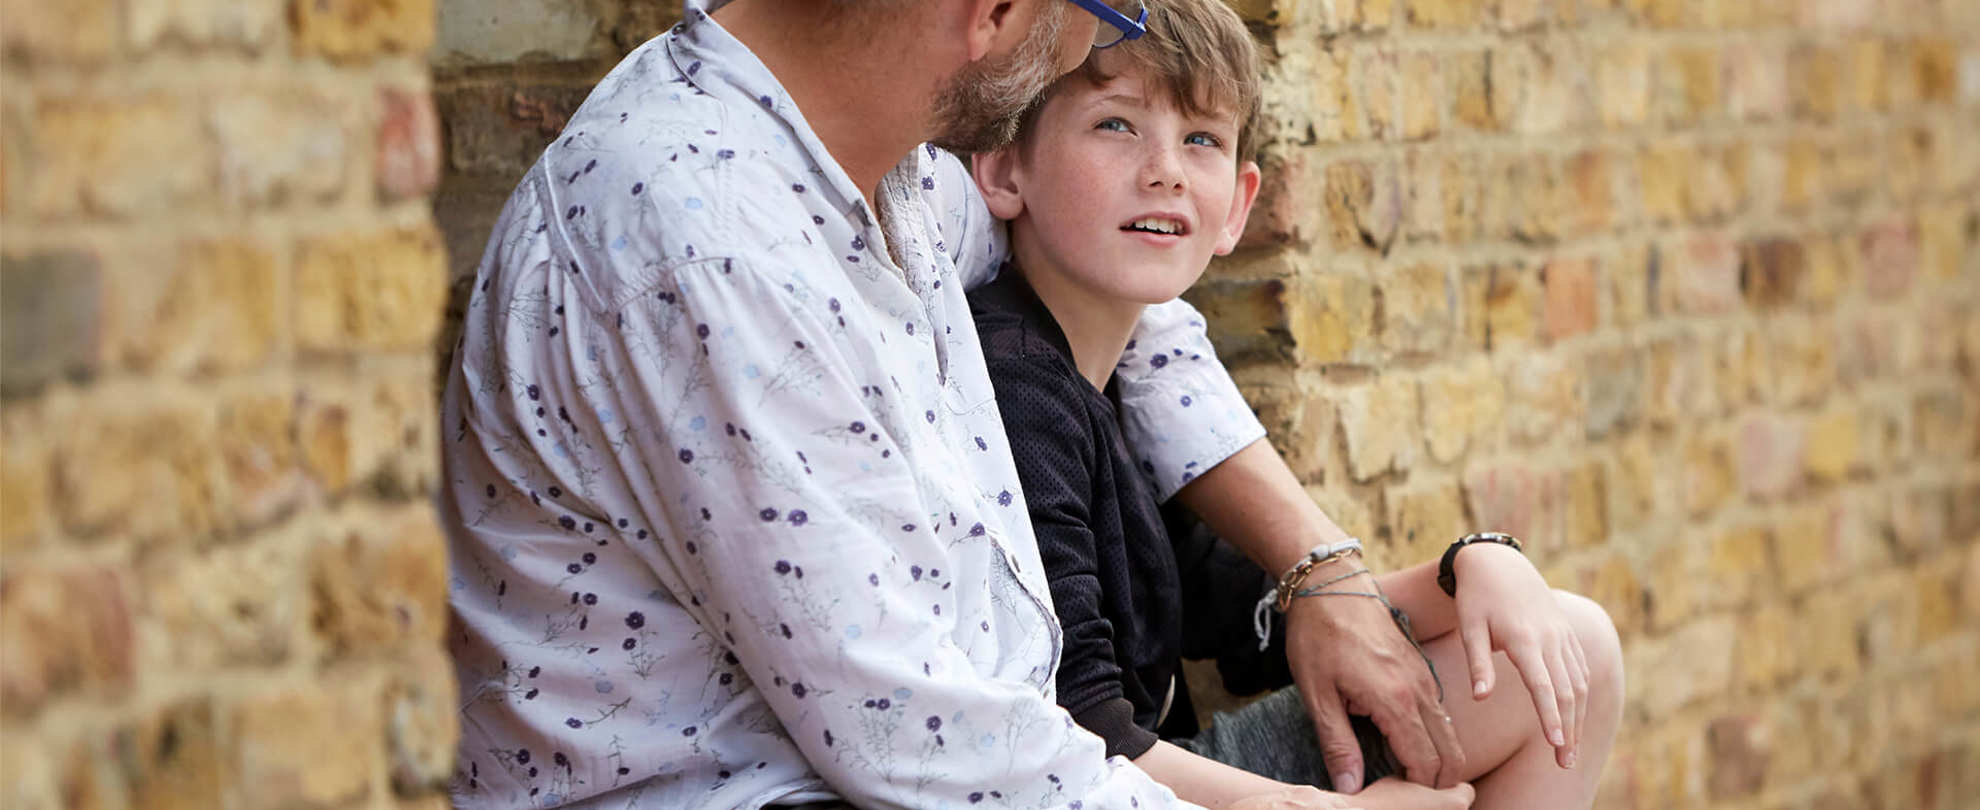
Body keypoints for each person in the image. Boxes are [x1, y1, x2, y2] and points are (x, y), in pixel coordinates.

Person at [438, 0, 1594, 808]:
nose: (1102, 35)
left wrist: (1323, 572)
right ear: (993, 13)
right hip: (804, 794)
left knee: (1564, 671)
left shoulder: (885, 171)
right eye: (1105, 14)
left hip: (980, 772)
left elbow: (1132, 298)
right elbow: (918, 743)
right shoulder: (704, 249)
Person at [965, 1, 1624, 807]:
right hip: (1108, 786)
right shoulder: (1016, 384)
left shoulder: (1119, 389)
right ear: (1002, 170)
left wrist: (1475, 565)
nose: (1165, 168)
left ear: (1238, 207)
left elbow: (1256, 612)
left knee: (1563, 644)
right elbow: (1073, 735)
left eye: (1200, 139)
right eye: (1115, 125)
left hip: (1146, 771)